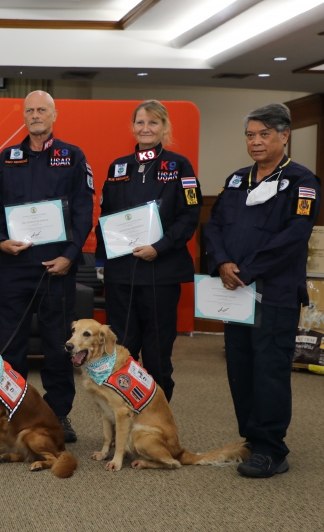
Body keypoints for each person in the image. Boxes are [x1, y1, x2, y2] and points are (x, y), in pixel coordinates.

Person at [204, 103, 319, 478]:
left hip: (275, 293)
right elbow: (215, 225)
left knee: (269, 370)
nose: (255, 141)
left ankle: (272, 448)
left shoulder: (302, 181)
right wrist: (222, 262)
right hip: (235, 293)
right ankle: (252, 439)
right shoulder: (238, 179)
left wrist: (248, 269)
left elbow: (294, 236)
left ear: (284, 136)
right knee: (240, 368)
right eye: (250, 135)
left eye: (264, 134)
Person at [0, 90, 94, 443]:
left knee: (56, 346)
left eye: (42, 110)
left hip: (56, 268)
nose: (35, 115)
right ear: (24, 116)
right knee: (10, 345)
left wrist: (70, 255)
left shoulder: (72, 156)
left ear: (54, 115)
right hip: (15, 267)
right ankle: (13, 411)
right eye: (29, 110)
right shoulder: (8, 158)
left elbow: (83, 210)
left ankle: (58, 414)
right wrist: (0, 240)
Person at [94, 100, 202, 402]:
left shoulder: (180, 166)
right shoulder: (118, 167)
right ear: (132, 127)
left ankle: (157, 422)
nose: (146, 128)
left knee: (156, 357)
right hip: (121, 277)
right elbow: (107, 216)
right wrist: (104, 260)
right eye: (140, 122)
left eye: (153, 123)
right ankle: (123, 416)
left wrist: (159, 247)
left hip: (160, 275)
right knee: (120, 354)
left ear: (165, 128)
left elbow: (189, 216)